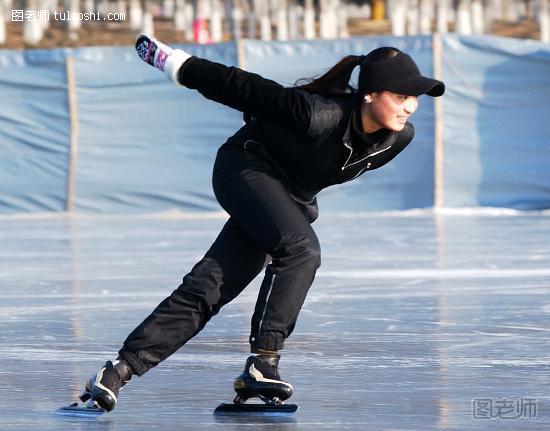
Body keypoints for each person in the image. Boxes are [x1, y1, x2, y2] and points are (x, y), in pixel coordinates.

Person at [79, 34, 445, 412]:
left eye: (415, 98)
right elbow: (243, 88)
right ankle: (264, 361)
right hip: (246, 168)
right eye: (401, 97)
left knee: (211, 286)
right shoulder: (316, 113)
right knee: (302, 250)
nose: (411, 108)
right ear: (369, 93)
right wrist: (173, 62)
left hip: (289, 196)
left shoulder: (395, 141)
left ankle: (118, 370)